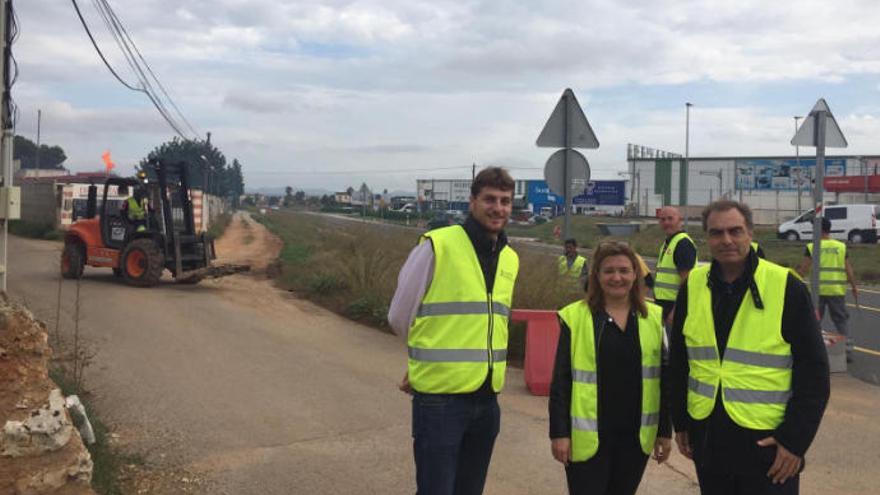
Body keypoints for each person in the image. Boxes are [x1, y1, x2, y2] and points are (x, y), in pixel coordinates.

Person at [669, 200, 830, 495]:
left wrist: (794, 441)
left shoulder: (786, 286)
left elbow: (814, 372)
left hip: (767, 444)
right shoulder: (692, 286)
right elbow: (680, 360)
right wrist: (680, 421)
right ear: (707, 237)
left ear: (750, 233)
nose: (726, 240)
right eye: (717, 233)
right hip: (708, 438)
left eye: (735, 231)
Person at [387, 167, 520, 495]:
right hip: (441, 402)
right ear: (472, 201)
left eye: (505, 201)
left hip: (488, 399)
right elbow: (399, 315)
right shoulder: (437, 245)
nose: (498, 208)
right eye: (490, 199)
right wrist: (425, 365)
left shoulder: (510, 258)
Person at [549, 241, 672, 495]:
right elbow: (561, 382)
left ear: (635, 275)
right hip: (589, 437)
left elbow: (664, 381)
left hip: (634, 437)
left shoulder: (654, 319)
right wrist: (559, 433)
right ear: (597, 275)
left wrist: (664, 432)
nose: (617, 277)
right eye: (609, 271)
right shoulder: (576, 317)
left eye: (624, 270)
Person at [797, 217, 859, 361]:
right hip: (836, 291)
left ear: (818, 229)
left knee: (814, 321)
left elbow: (803, 270)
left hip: (818, 292)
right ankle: (847, 353)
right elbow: (848, 269)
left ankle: (813, 351)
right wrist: (854, 287)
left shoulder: (812, 247)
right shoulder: (840, 246)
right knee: (841, 321)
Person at [654, 206, 697, 325]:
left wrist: (676, 310)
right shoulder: (668, 243)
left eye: (670, 219)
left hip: (674, 307)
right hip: (664, 306)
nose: (666, 222)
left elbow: (687, 282)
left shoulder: (682, 244)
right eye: (662, 219)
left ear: (680, 220)